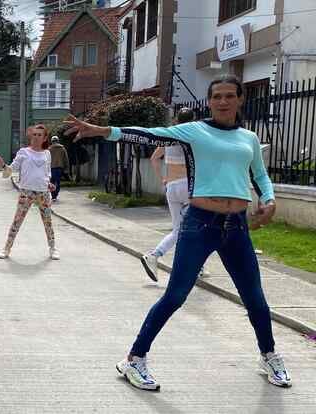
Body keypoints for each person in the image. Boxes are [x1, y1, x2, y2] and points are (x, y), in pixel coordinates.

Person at [65, 74, 291, 390]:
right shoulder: (194, 131)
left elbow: (260, 175)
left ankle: (269, 355)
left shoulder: (249, 138)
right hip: (200, 223)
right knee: (176, 294)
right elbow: (148, 135)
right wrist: (104, 131)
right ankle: (134, 359)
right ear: (209, 102)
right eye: (217, 97)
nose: (223, 101)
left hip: (237, 226)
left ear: (240, 99)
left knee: (255, 298)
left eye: (229, 96)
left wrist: (270, 200)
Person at [140, 108, 195, 282]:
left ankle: (195, 265)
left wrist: (163, 178)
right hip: (189, 187)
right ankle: (155, 255)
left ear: (176, 119)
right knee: (193, 228)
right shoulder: (194, 136)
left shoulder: (169, 136)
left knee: (180, 229)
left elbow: (154, 158)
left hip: (172, 187)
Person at [0, 125, 59, 260]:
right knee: (17, 221)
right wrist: (3, 165)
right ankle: (6, 249)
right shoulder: (23, 152)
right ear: (31, 136)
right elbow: (11, 170)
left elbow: (47, 173)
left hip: (43, 193)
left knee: (48, 222)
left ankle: (53, 248)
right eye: (34, 134)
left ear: (45, 138)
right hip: (26, 192)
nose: (36, 137)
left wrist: (49, 184)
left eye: (40, 135)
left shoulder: (47, 153)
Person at [48, 135, 70, 201]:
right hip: (59, 168)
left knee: (51, 182)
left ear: (52, 141)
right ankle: (56, 195)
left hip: (51, 168)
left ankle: (53, 196)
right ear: (58, 141)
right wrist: (67, 168)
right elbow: (66, 159)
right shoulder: (62, 148)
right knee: (58, 182)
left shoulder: (49, 149)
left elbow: (46, 159)